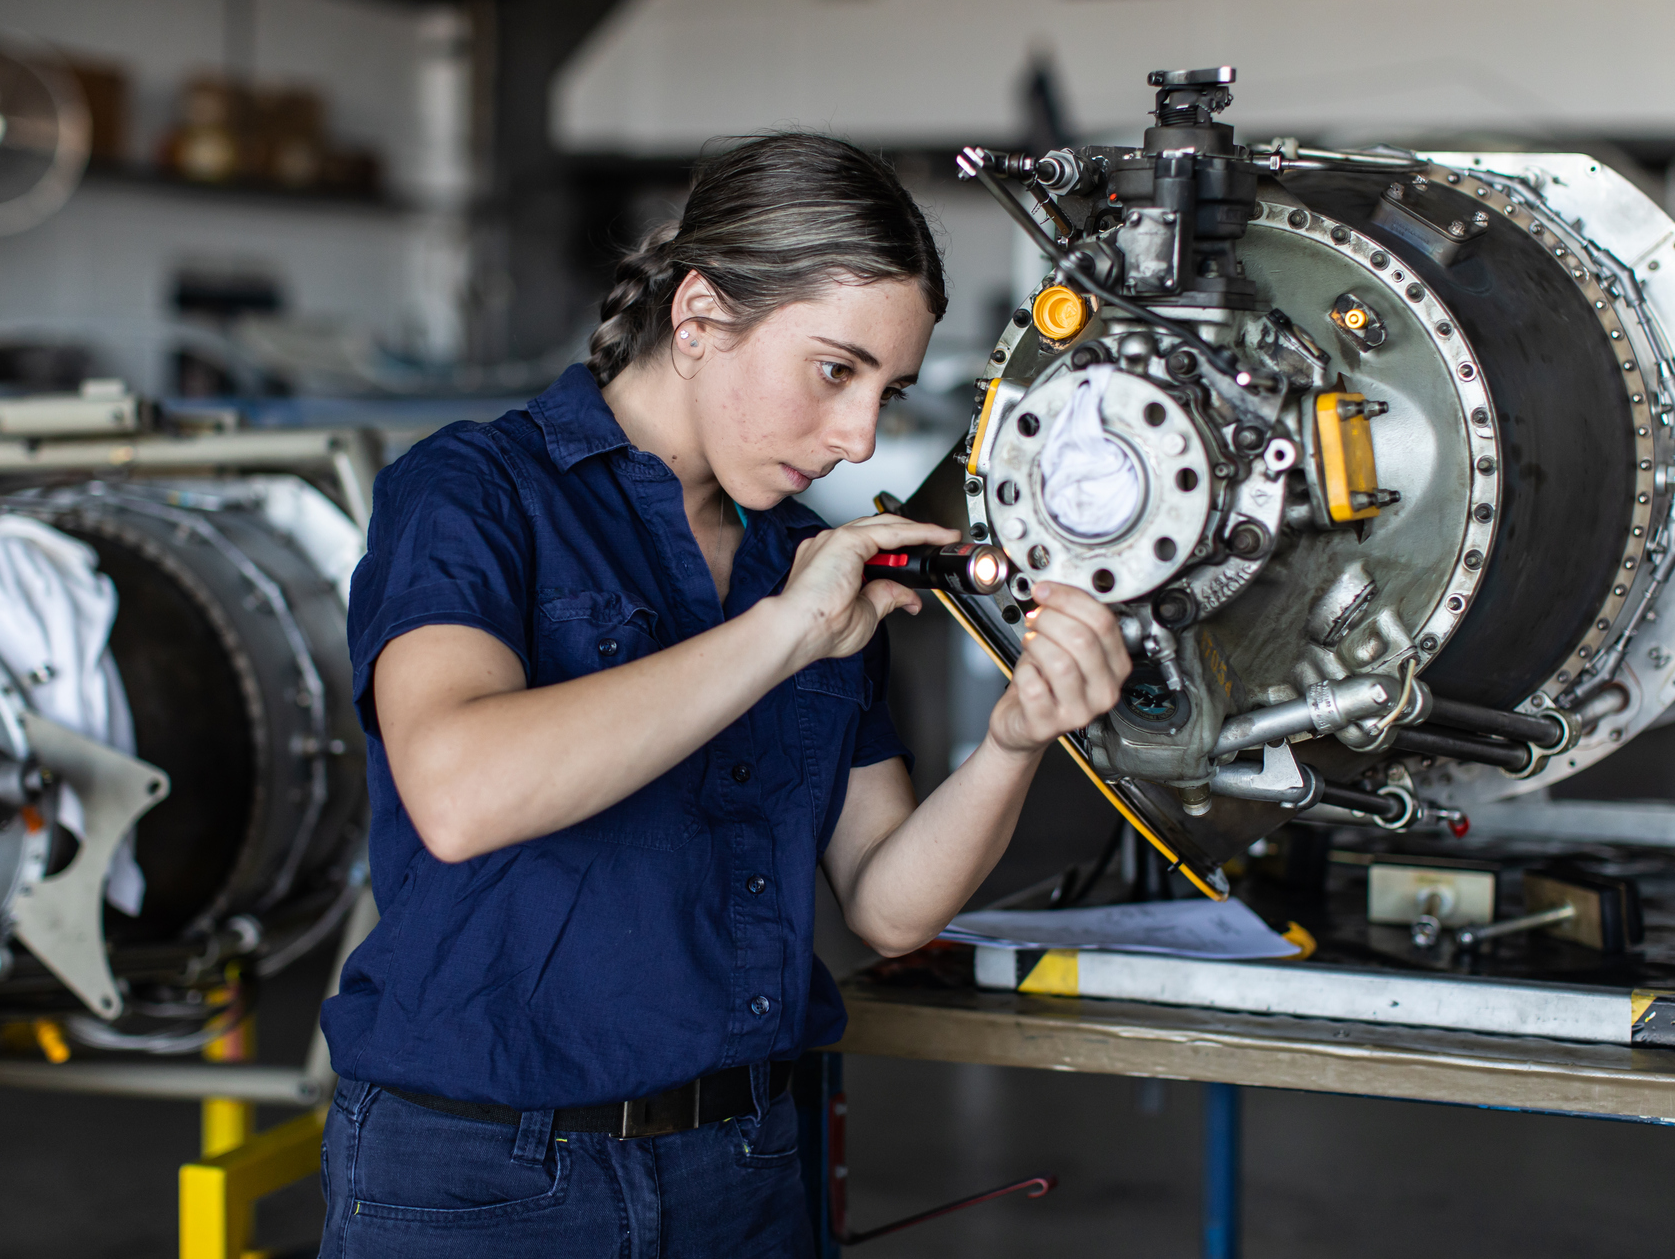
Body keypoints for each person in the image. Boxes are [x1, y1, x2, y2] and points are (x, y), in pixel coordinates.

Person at [317, 134, 1130, 1258]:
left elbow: (890, 903)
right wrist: (785, 630)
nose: (860, 437)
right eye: (835, 371)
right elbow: (460, 790)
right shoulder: (473, 493)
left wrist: (1013, 740)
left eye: (886, 392)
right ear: (698, 317)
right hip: (485, 1177)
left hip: (745, 1168)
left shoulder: (805, 563)